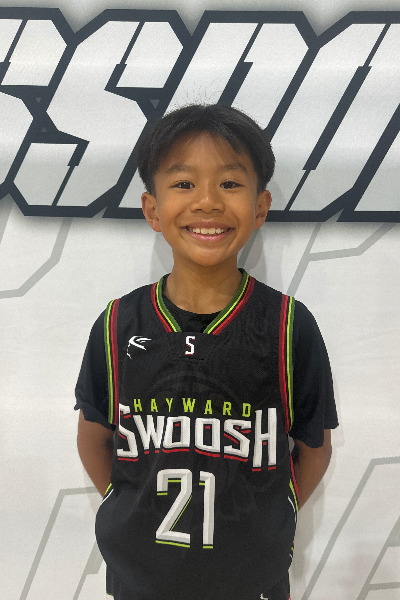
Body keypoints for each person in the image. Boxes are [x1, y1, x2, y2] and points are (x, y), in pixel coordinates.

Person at [75, 104, 338, 600]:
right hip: (140, 578)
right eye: (184, 183)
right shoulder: (117, 324)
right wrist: (126, 504)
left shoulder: (288, 326)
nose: (208, 202)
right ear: (152, 209)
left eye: (230, 184)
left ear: (260, 206)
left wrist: (270, 521)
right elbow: (93, 439)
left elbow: (314, 449)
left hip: (250, 580)